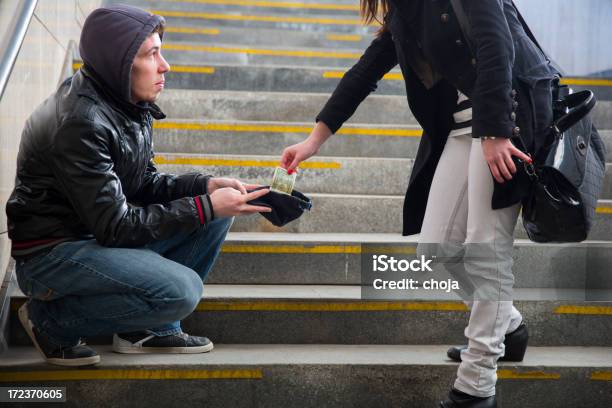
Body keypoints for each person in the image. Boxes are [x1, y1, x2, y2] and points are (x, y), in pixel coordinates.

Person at [280, 1, 556, 407]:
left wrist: (497, 131)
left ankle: (477, 384)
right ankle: (506, 326)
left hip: (505, 121)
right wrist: (313, 140)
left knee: (485, 247)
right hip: (459, 132)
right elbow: (364, 72)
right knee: (437, 246)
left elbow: (498, 43)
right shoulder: (405, 10)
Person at [6, 5, 271, 367]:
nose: (165, 65)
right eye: (152, 54)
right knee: (183, 290)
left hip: (91, 235)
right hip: (53, 253)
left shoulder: (125, 101)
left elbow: (142, 182)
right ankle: (50, 322)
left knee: (213, 211)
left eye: (161, 51)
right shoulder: (80, 121)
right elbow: (117, 226)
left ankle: (147, 330)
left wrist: (205, 186)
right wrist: (205, 205)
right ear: (120, 61)